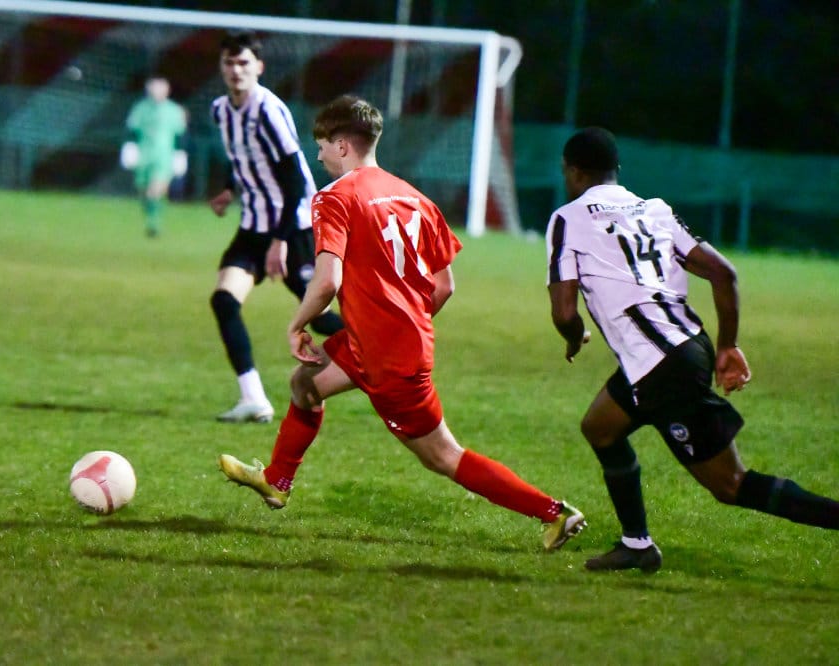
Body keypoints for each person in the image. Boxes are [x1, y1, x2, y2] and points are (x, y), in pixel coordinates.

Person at [218, 95, 586, 552]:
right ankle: (277, 481)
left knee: (443, 456)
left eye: (323, 144)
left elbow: (328, 279)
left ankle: (554, 512)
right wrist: (398, 322)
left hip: (390, 362)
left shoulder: (334, 198)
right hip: (377, 343)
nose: (318, 154)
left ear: (343, 146)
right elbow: (444, 286)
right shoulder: (416, 197)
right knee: (304, 384)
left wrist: (297, 324)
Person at [547, 126, 839, 572]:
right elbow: (724, 274)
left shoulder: (567, 218)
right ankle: (637, 544)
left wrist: (574, 337)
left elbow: (565, 311)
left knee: (730, 484)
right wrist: (727, 346)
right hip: (685, 347)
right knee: (600, 427)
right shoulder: (654, 209)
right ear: (616, 170)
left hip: (661, 367)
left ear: (573, 172)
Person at [208, 31, 343, 423]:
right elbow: (241, 156)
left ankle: (386, 350)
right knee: (224, 301)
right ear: (222, 67)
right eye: (230, 63)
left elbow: (295, 179)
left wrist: (280, 242)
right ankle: (253, 398)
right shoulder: (221, 110)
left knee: (320, 318)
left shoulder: (268, 110)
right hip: (254, 225)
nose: (236, 70)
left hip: (294, 226)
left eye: (244, 63)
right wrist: (228, 189)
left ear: (259, 67)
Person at [123, 75, 188, 238]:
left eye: (160, 89)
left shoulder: (174, 110)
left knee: (156, 190)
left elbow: (181, 133)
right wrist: (130, 149)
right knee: (144, 191)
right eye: (154, 88)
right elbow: (131, 129)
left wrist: (180, 154)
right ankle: (150, 217)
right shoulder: (140, 108)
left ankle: (154, 224)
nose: (157, 92)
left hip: (163, 156)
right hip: (144, 155)